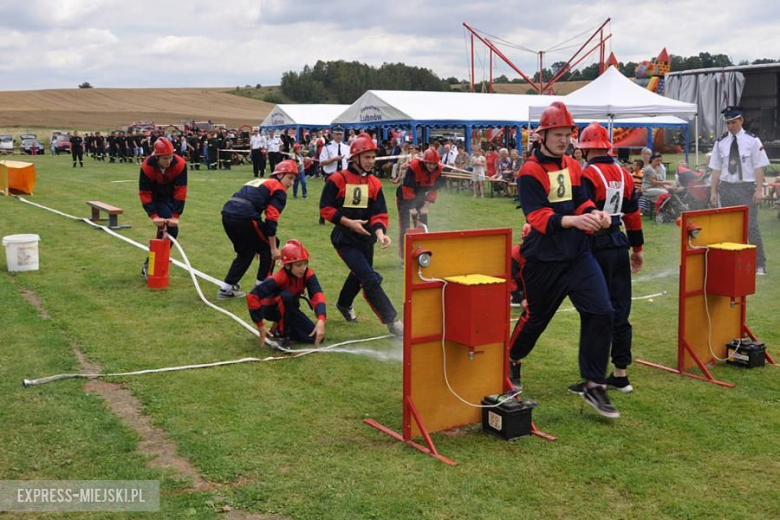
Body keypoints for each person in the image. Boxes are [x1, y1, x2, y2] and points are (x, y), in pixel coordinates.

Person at [510, 102, 618, 419]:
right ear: (542, 135)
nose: (563, 140)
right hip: (543, 259)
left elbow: (580, 200)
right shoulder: (529, 172)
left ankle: (595, 384)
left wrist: (594, 214)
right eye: (556, 134)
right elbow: (538, 216)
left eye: (567, 134)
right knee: (536, 318)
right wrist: (573, 221)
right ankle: (512, 359)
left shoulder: (572, 165)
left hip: (577, 255)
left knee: (602, 311)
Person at [573, 121, 644, 395]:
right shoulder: (625, 174)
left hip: (594, 246)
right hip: (618, 244)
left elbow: (582, 213)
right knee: (620, 309)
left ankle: (595, 379)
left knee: (596, 312)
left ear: (585, 149)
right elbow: (633, 216)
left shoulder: (587, 175)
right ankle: (621, 374)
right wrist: (637, 250)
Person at [319, 133, 403, 336]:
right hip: (345, 239)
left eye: (373, 157)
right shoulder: (338, 179)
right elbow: (325, 209)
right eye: (367, 157)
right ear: (355, 157)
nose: (371, 161)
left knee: (360, 275)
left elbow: (379, 213)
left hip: (367, 240)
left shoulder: (375, 183)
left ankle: (344, 304)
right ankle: (394, 322)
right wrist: (350, 223)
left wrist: (380, 233)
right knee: (370, 279)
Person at [218, 160, 299, 299]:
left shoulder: (259, 181)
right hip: (245, 216)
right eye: (290, 178)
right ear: (279, 175)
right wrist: (273, 248)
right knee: (269, 246)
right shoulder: (278, 189)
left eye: (294, 179)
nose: (291, 183)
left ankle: (227, 288)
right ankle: (262, 288)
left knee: (246, 252)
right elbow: (271, 220)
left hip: (227, 214)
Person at [709, 106, 769, 275]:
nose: (730, 126)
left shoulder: (753, 141)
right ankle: (732, 263)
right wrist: (713, 191)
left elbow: (758, 168)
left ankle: (759, 264)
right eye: (728, 123)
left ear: (741, 120)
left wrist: (758, 190)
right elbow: (716, 169)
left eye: (734, 122)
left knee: (751, 227)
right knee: (729, 227)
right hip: (727, 187)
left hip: (746, 187)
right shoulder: (720, 142)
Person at [247, 239, 326, 349]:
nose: (303, 268)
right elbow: (252, 296)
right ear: (288, 266)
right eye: (298, 265)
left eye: (305, 263)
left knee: (316, 336)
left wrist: (321, 319)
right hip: (271, 309)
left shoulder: (308, 274)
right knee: (286, 296)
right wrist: (260, 325)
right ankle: (283, 336)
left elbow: (317, 295)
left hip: (289, 308)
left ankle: (278, 327)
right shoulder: (279, 277)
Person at [139, 137, 187, 278]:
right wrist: (153, 215)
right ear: (157, 157)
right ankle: (151, 265)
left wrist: (176, 215)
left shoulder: (180, 164)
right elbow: (145, 193)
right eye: (165, 158)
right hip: (156, 198)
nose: (169, 161)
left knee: (168, 230)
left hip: (171, 197)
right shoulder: (147, 167)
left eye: (171, 157)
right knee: (171, 230)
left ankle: (152, 264)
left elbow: (181, 190)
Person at [396, 148, 443, 258]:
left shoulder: (439, 170)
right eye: (430, 164)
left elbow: (435, 188)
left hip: (421, 196)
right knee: (405, 227)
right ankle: (404, 256)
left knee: (423, 225)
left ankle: (423, 253)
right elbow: (407, 187)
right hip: (405, 198)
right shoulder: (414, 167)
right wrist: (411, 207)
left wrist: (426, 206)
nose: (432, 167)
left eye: (434, 164)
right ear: (425, 162)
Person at [318, 126, 349, 224]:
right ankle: (322, 217)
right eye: (337, 134)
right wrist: (334, 159)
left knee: (343, 197)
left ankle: (341, 217)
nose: (339, 136)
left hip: (343, 175)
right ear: (333, 134)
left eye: (341, 134)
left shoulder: (347, 148)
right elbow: (321, 162)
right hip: (331, 175)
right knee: (328, 197)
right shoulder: (327, 147)